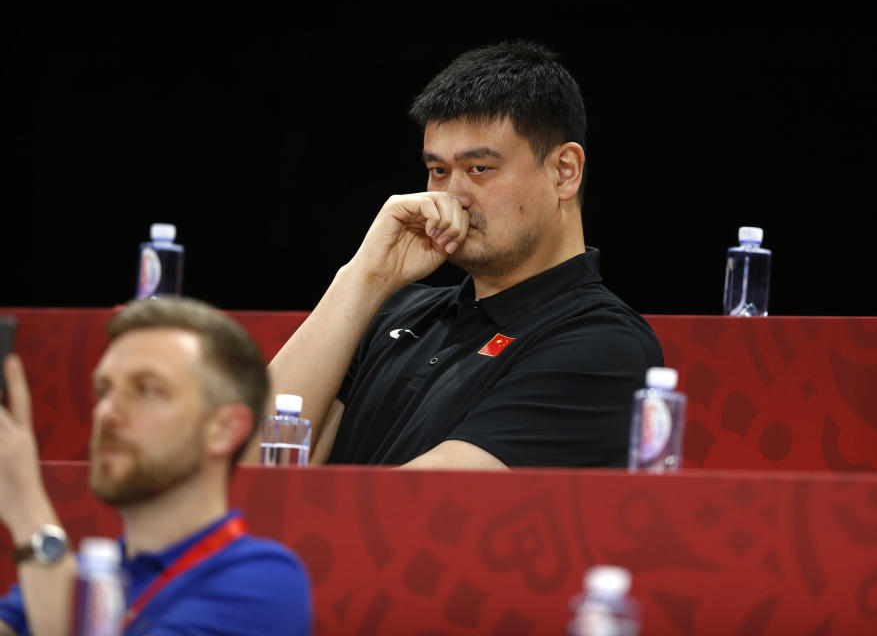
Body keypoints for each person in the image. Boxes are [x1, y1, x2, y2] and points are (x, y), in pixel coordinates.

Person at [263, 40, 663, 470]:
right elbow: (249, 466)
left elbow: (417, 508)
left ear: (564, 171)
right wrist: (363, 276)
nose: (452, 195)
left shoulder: (603, 344)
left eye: (479, 169)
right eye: (438, 170)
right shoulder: (396, 313)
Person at [0, 297, 312, 635]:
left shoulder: (264, 584)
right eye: (103, 390)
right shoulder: (69, 577)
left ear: (223, 430)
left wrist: (27, 510)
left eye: (146, 389)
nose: (106, 412)